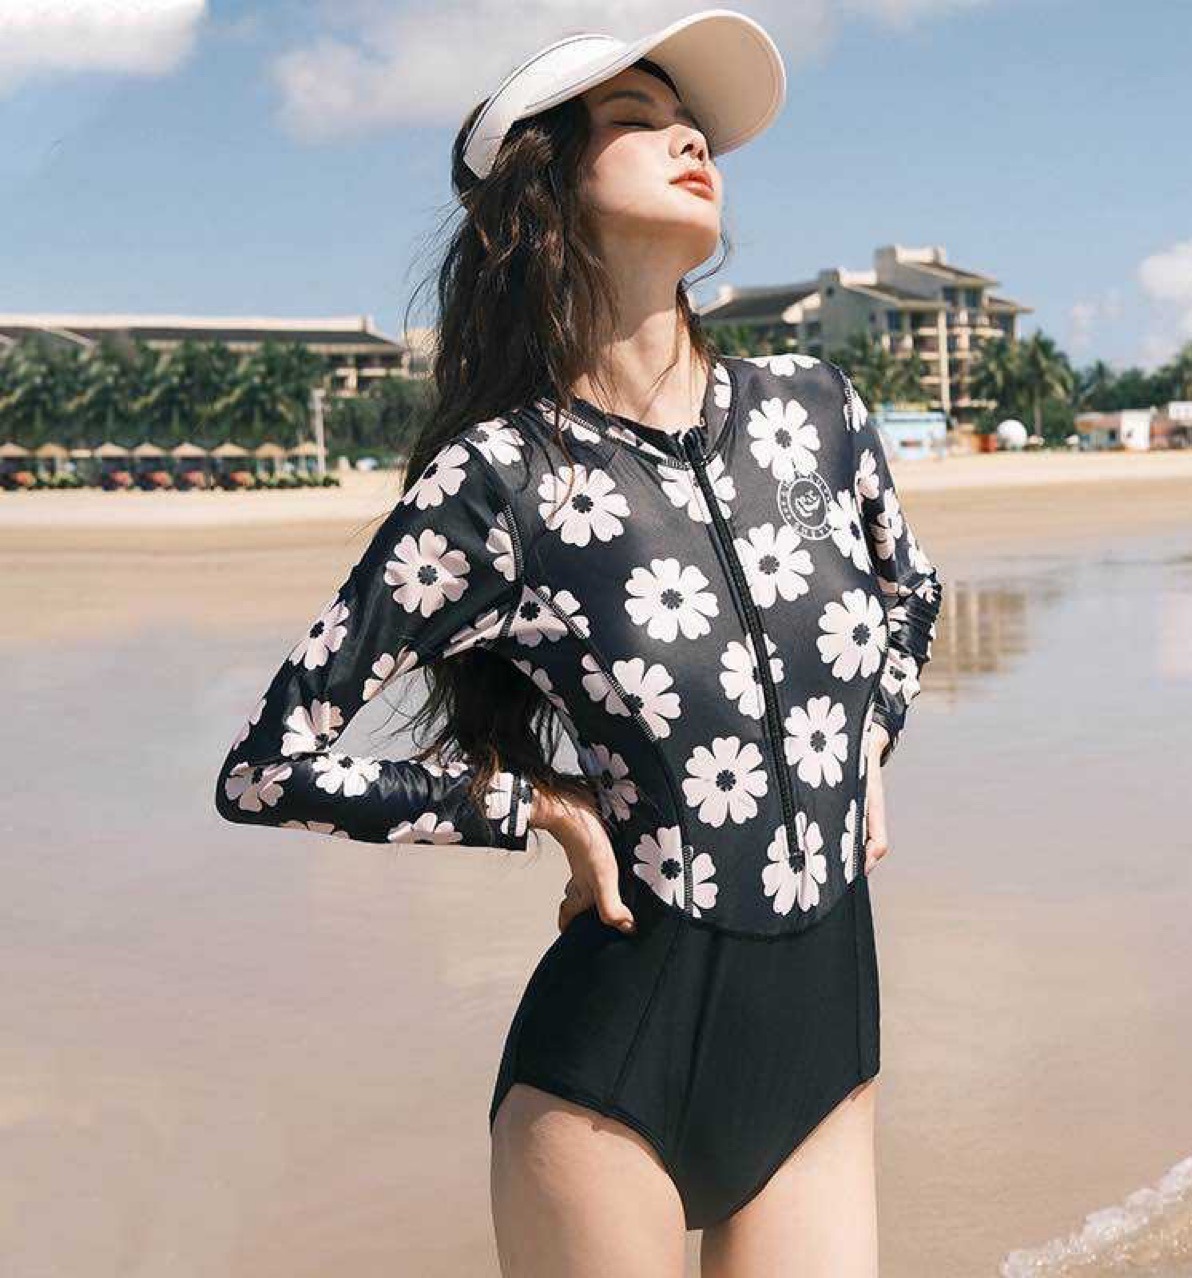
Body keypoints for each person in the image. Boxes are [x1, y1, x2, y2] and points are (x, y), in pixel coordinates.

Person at [213, 10, 944, 1276]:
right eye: (638, 121)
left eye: (694, 124)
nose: (690, 140)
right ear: (546, 197)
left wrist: (866, 742)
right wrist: (535, 806)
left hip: (825, 1040)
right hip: (613, 1073)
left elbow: (912, 597)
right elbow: (269, 766)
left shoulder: (816, 412)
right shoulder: (501, 481)